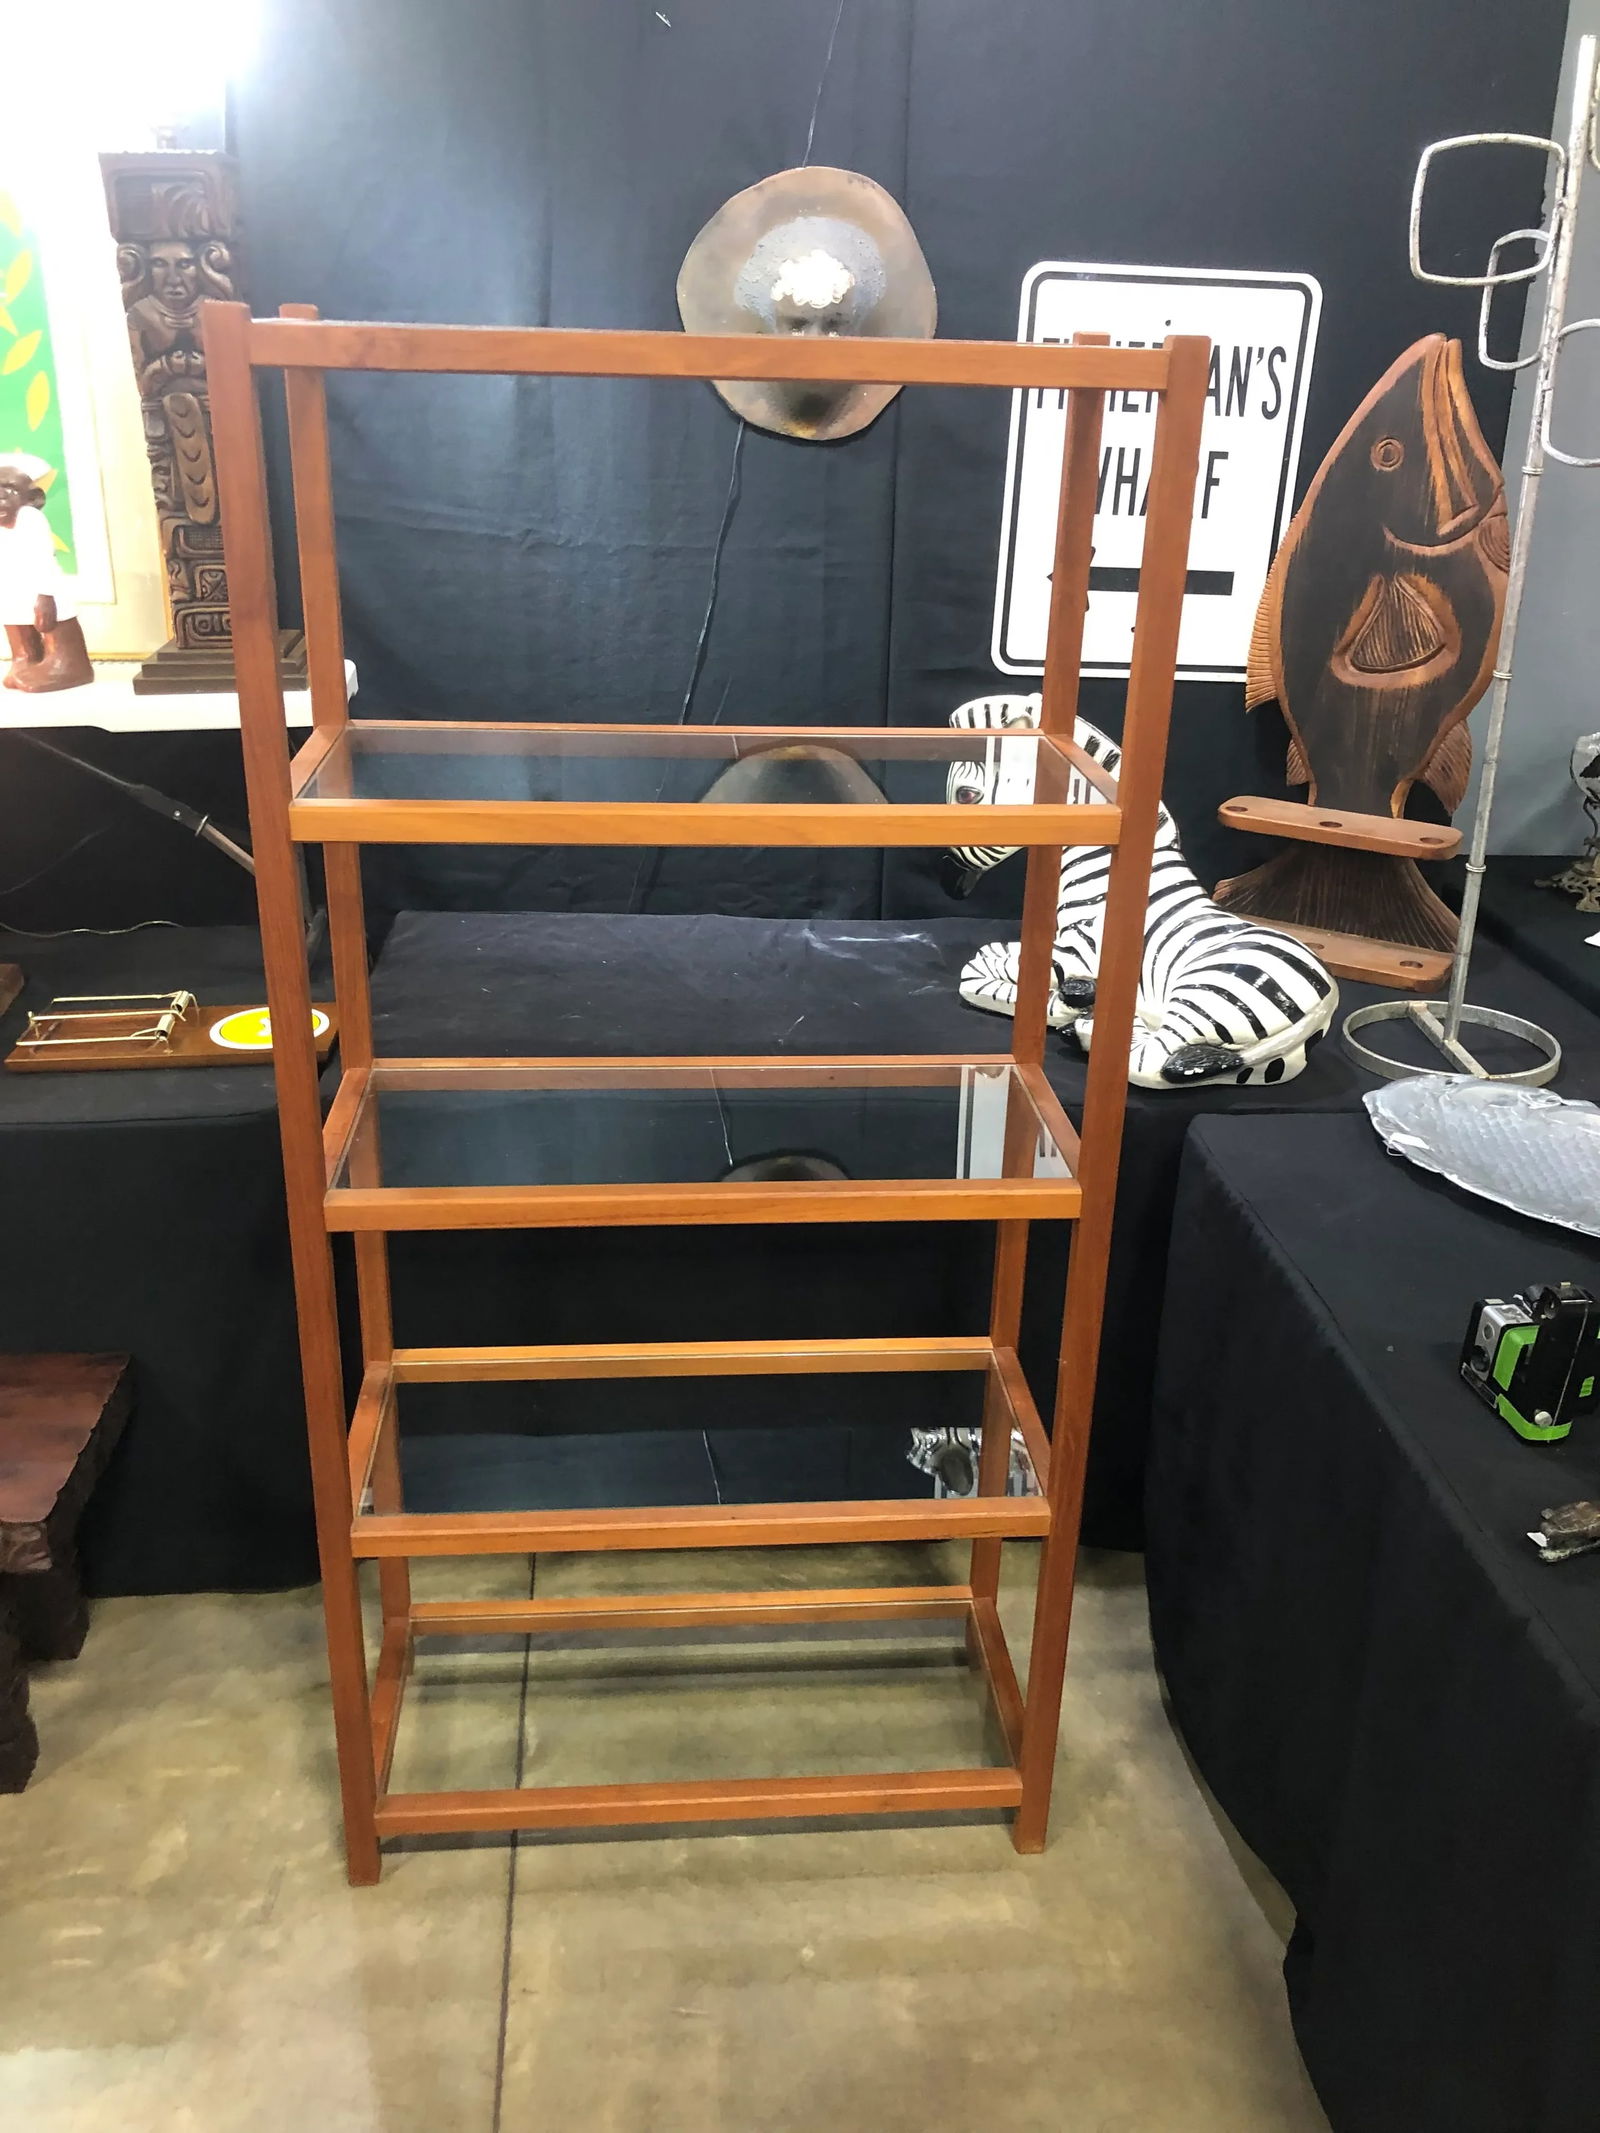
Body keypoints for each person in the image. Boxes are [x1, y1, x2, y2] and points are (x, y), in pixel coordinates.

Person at [0, 454, 92, 692]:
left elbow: (43, 560)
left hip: (42, 589)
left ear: (33, 498)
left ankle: (65, 666)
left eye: (8, 489)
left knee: (53, 625)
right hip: (12, 591)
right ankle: (24, 660)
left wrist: (45, 596)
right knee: (17, 626)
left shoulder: (31, 520)